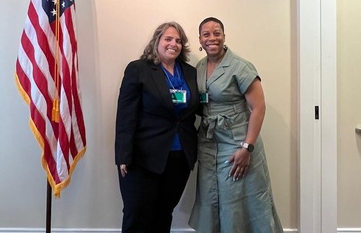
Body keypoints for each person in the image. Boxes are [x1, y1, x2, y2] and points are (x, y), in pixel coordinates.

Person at [189, 17, 283, 233]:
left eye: (217, 33)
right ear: (200, 40)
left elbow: (258, 108)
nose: (212, 38)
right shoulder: (200, 66)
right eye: (206, 34)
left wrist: (247, 147)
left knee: (239, 202)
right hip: (209, 142)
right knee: (211, 198)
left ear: (224, 36)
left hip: (237, 142)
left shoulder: (241, 66)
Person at [115, 21, 200, 233]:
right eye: (168, 39)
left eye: (179, 40)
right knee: (137, 214)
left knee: (163, 214)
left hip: (180, 158)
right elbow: (126, 116)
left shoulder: (190, 73)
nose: (174, 44)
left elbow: (198, 109)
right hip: (142, 159)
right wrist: (123, 155)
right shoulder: (138, 69)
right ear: (157, 42)